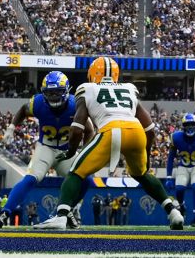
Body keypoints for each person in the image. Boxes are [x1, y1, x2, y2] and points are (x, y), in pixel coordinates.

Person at [35, 58, 182, 230]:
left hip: (110, 131)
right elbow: (149, 129)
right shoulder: (129, 88)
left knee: (75, 172)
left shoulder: (86, 88)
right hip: (136, 131)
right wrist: (146, 155)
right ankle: (173, 212)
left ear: (91, 74)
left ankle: (60, 217)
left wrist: (71, 151)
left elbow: (77, 128)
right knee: (142, 174)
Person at [0, 71, 82, 227]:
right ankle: (4, 213)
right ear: (44, 92)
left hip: (66, 151)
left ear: (66, 91)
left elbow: (87, 129)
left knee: (84, 179)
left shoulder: (76, 105)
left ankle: (69, 210)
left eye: (58, 92)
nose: (53, 96)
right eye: (50, 92)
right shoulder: (38, 103)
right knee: (31, 178)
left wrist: (85, 149)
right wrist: (12, 127)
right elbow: (22, 110)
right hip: (45, 148)